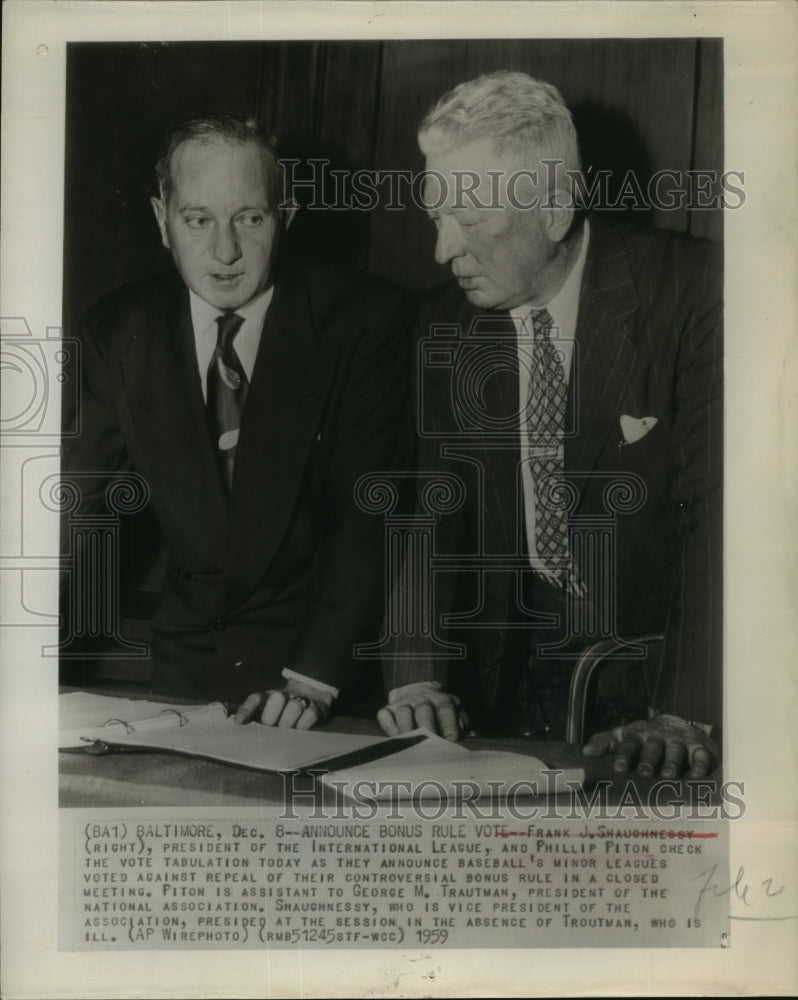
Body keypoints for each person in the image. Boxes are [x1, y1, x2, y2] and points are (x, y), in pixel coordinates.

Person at [377, 72, 722, 778]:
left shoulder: (695, 294)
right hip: (507, 687)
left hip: (661, 690)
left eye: (469, 222)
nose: (443, 251)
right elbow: (433, 507)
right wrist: (415, 675)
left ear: (555, 210)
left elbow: (719, 519)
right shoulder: (445, 321)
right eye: (436, 216)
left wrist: (685, 711)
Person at [62, 114, 412, 729]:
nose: (225, 251)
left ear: (287, 218)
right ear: (161, 221)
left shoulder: (365, 321)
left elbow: (368, 514)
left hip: (321, 673)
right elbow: (73, 510)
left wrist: (314, 678)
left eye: (250, 218)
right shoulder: (118, 330)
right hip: (186, 669)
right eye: (198, 220)